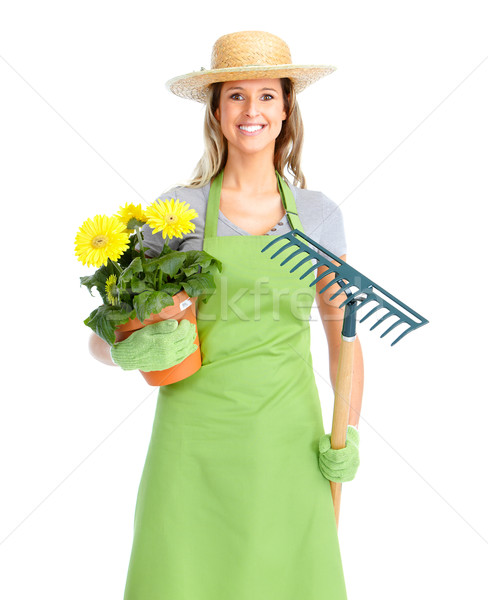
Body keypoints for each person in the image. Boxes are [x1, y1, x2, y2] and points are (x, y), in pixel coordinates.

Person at [90, 30, 364, 599]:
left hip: (286, 439)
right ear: (216, 112)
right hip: (191, 441)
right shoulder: (176, 212)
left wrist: (347, 434)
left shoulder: (316, 215)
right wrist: (124, 346)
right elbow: (104, 331)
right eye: (235, 95)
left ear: (286, 109)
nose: (252, 110)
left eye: (267, 95)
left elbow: (346, 340)